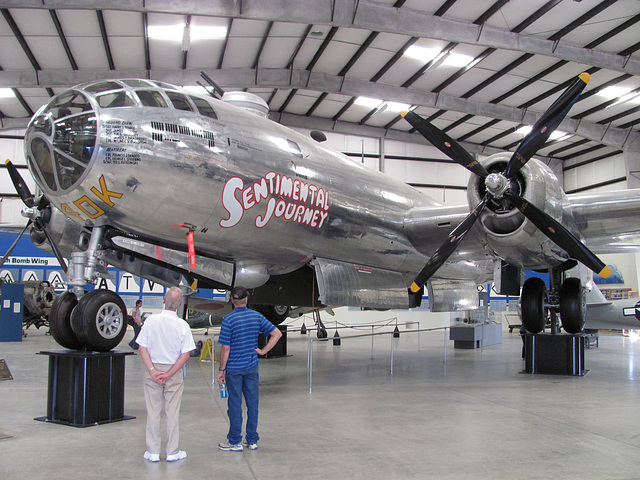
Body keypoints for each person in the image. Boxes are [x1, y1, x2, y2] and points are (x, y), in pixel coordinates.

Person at [217, 286, 282, 452]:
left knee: (235, 404)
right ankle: (252, 440)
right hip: (251, 367)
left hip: (234, 369)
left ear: (232, 300)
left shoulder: (228, 320)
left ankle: (234, 441)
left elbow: (226, 348)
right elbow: (276, 334)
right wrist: (263, 351)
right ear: (246, 300)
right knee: (253, 404)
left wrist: (221, 370)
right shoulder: (256, 317)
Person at [136, 286, 196, 462]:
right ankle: (172, 451)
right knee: (172, 412)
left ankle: (153, 451)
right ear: (179, 304)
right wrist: (169, 374)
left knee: (153, 412)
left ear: (164, 300)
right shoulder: (182, 325)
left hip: (153, 370)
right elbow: (185, 355)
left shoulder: (151, 321)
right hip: (173, 371)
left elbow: (142, 347)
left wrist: (153, 371)